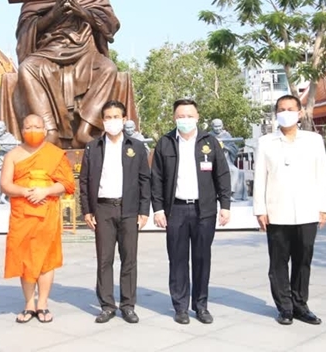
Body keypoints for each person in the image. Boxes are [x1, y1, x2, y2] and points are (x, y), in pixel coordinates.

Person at [12, 0, 122, 148]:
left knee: (108, 68)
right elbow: (27, 28)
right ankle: (50, 130)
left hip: (84, 50)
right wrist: (53, 15)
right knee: (27, 68)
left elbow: (109, 25)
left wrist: (83, 12)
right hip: (49, 50)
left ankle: (85, 130)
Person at [151, 99, 232, 325]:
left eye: (189, 115)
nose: (185, 120)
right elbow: (156, 178)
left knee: (202, 259)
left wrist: (225, 206)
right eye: (180, 116)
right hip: (175, 209)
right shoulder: (166, 143)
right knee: (177, 260)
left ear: (197, 117)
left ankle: (201, 305)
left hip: (203, 210)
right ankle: (180, 307)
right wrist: (158, 209)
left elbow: (222, 175)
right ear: (174, 118)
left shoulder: (210, 142)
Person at [253, 94, 326, 326]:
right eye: (281, 109)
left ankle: (300, 304)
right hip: (277, 211)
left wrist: (324, 207)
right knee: (278, 262)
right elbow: (260, 178)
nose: (285, 113)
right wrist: (260, 209)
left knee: (303, 259)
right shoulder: (266, 142)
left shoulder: (313, 140)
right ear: (276, 114)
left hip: (307, 211)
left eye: (290, 109)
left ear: (300, 113)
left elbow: (322, 174)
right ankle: (285, 308)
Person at [79, 100, 151, 324]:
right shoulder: (93, 147)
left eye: (116, 117)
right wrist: (87, 210)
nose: (112, 121)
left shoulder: (136, 147)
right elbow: (84, 181)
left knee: (129, 258)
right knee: (105, 259)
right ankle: (107, 306)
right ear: (102, 121)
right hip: (103, 209)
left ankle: (128, 305)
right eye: (108, 118)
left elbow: (144, 180)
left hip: (129, 209)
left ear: (124, 119)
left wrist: (144, 210)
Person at [1, 114, 76, 324]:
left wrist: (46, 191)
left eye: (37, 126)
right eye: (28, 127)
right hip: (22, 215)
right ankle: (29, 304)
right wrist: (25, 191)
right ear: (22, 130)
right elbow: (5, 185)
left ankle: (42, 303)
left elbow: (67, 184)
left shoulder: (55, 154)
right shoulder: (13, 155)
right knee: (25, 259)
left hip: (46, 216)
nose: (33, 130)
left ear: (45, 130)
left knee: (45, 260)